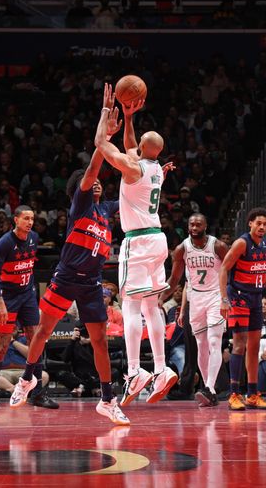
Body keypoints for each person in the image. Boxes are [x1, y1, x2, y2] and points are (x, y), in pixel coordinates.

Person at [9, 86, 128, 424]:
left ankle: (107, 399)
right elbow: (93, 165)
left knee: (100, 342)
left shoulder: (106, 211)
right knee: (42, 332)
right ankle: (28, 377)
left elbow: (134, 194)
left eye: (100, 183)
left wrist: (154, 176)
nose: (97, 184)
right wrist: (105, 122)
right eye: (90, 182)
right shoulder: (80, 205)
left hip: (90, 283)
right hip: (65, 279)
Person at [94, 90, 178, 406]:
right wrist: (128, 118)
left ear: (143, 149)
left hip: (138, 241)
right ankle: (160, 368)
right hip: (158, 239)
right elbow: (131, 146)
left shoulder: (133, 168)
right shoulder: (155, 167)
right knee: (151, 306)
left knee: (129, 305)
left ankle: (133, 372)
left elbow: (103, 145)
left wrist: (106, 111)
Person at [0, 205, 57, 411]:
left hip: (27, 295)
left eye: (32, 218)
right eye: (25, 218)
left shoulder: (34, 238)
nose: (30, 222)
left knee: (36, 341)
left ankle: (38, 394)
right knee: (3, 344)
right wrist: (0, 302)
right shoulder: (5, 242)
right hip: (7, 298)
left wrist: (31, 291)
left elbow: (29, 268)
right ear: (16, 220)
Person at [219, 208, 266, 411]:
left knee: (253, 347)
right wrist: (224, 299)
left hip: (256, 298)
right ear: (250, 224)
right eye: (258, 223)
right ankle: (234, 394)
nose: (261, 227)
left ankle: (252, 394)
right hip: (238, 298)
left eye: (264, 224)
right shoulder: (241, 243)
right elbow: (224, 268)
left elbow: (262, 272)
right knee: (239, 346)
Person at [159, 212, 228, 407]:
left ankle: (210, 388)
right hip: (195, 297)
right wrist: (162, 298)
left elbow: (231, 270)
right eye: (192, 225)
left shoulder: (218, 246)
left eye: (198, 224)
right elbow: (174, 280)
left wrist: (226, 297)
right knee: (201, 345)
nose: (194, 228)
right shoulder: (182, 249)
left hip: (215, 295)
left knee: (215, 341)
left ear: (205, 226)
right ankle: (209, 390)